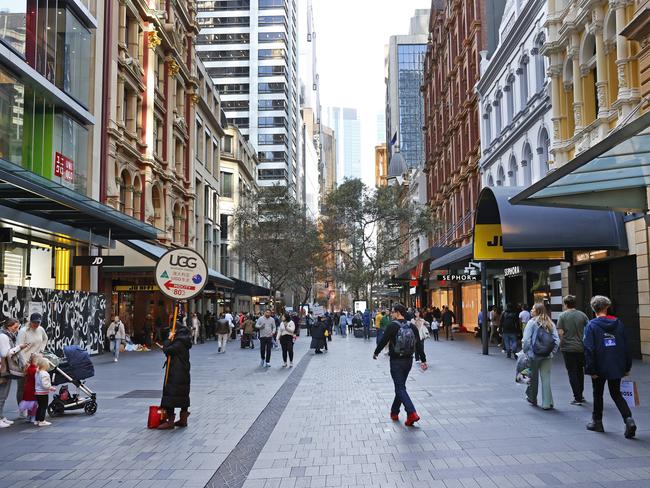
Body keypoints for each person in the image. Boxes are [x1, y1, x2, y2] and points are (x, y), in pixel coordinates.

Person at [583, 295, 636, 438]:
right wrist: (626, 366)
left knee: (598, 393)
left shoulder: (592, 325)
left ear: (594, 309)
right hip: (616, 365)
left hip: (599, 366)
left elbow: (589, 349)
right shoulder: (618, 323)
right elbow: (626, 346)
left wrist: (591, 369)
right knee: (616, 393)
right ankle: (628, 419)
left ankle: (597, 422)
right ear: (607, 307)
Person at [373, 303, 427, 426]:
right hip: (408, 361)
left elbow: (383, 340)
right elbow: (418, 344)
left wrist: (376, 353)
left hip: (396, 361)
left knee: (400, 388)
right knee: (401, 386)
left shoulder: (392, 326)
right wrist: (423, 360)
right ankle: (394, 412)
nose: (391, 314)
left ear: (398, 312)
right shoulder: (412, 326)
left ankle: (412, 413)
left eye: (392, 312)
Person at [522, 302, 560, 410]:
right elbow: (557, 340)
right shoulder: (550, 323)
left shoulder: (531, 322)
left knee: (532, 378)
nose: (531, 311)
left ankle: (532, 398)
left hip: (534, 356)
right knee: (546, 378)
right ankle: (547, 403)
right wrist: (552, 352)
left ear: (537, 311)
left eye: (533, 309)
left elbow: (526, 340)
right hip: (547, 356)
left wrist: (526, 352)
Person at [157, 321, 192, 429]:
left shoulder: (179, 342)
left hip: (176, 372)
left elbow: (168, 350)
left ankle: (170, 421)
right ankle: (183, 419)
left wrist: (168, 339)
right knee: (182, 395)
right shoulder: (183, 340)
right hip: (182, 372)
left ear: (175, 330)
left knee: (170, 395)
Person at [557, 295, 589, 405]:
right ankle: (581, 394)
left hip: (567, 348)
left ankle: (577, 397)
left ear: (565, 304)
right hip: (581, 347)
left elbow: (560, 333)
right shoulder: (582, 315)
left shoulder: (562, 316)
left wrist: (560, 345)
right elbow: (588, 330)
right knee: (580, 371)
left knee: (572, 372)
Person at [0, 318, 30, 428]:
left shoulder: (8, 335)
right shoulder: (3, 336)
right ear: (9, 326)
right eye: (15, 327)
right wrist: (19, 347)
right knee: (2, 395)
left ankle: (2, 416)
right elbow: (5, 353)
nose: (16, 329)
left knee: (4, 394)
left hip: (5, 368)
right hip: (3, 369)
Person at [16, 312, 48, 405]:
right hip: (24, 361)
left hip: (36, 361)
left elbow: (45, 339)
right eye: (34, 322)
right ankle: (22, 408)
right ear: (30, 321)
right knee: (23, 386)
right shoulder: (23, 331)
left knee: (36, 385)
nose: (36, 324)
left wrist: (41, 350)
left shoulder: (41, 329)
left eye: (38, 322)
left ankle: (33, 407)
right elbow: (19, 347)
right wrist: (24, 363)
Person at [33, 356, 54, 427]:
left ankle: (37, 419)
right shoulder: (45, 374)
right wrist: (50, 387)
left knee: (39, 406)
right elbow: (45, 384)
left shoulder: (37, 372)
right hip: (43, 393)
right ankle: (42, 421)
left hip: (37, 392)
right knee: (43, 407)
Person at [19, 354, 39, 424]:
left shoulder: (28, 368)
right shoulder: (35, 370)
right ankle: (33, 416)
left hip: (27, 387)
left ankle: (28, 416)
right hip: (33, 388)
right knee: (34, 404)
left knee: (28, 403)